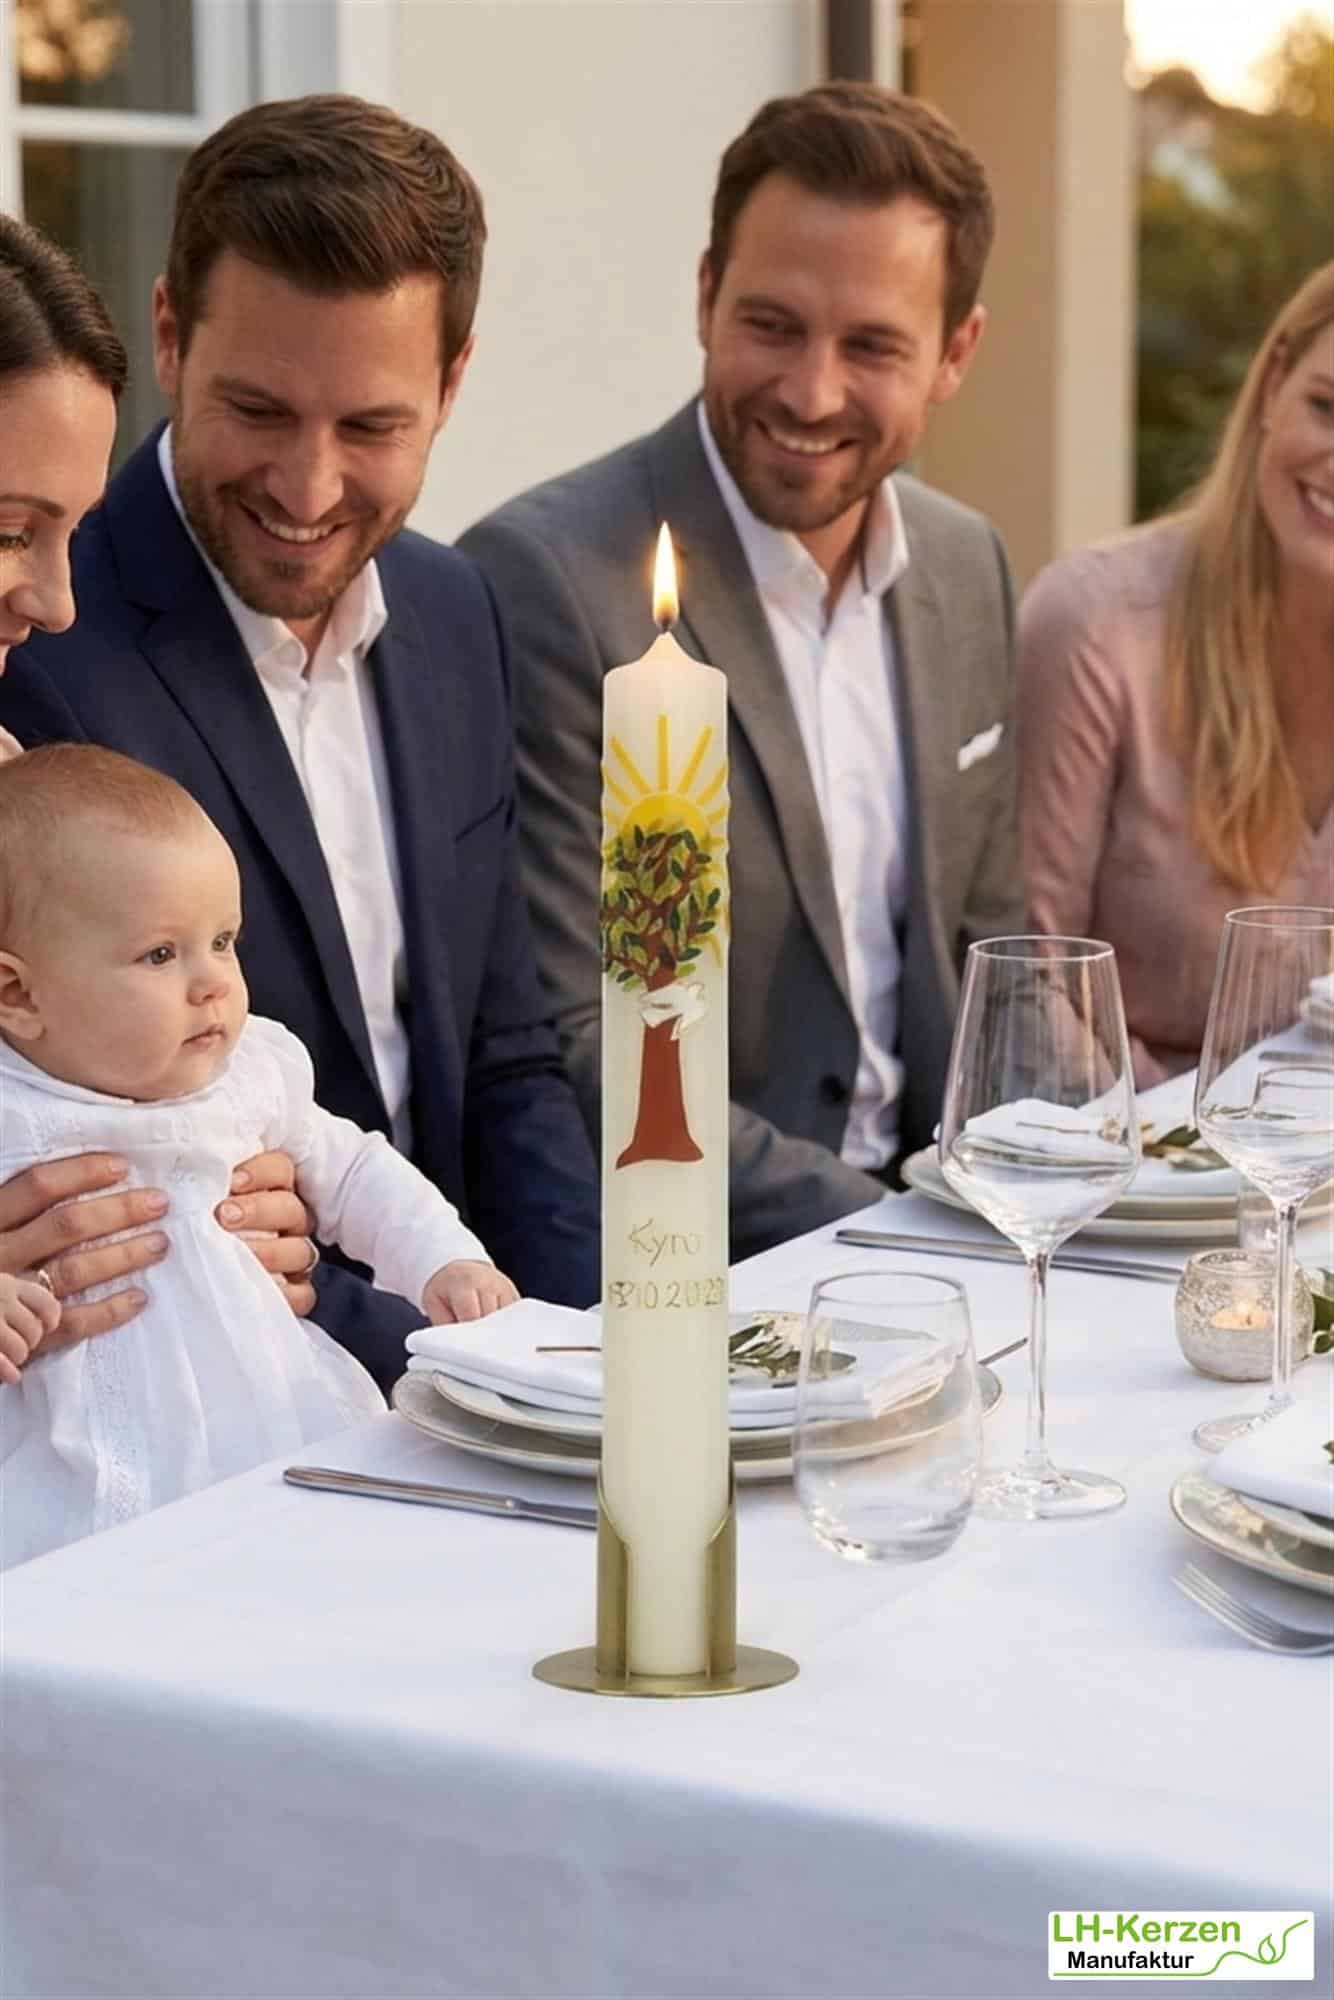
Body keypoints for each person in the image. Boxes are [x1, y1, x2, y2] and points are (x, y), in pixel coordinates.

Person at [0, 97, 600, 1389]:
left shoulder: (454, 609)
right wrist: (447, 1357)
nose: (309, 487)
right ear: (171, 336)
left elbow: (507, 1061)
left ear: (450, 385)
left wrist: (586, 1358)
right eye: (261, 412)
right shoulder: (42, 664)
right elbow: (124, 1190)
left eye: (370, 427)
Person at [460, 82, 1022, 1259]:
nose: (810, 392)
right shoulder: (544, 581)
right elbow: (579, 1038)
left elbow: (998, 962)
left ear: (955, 352)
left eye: (870, 345)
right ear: (705, 293)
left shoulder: (967, 564)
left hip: (952, 1229)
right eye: (770, 325)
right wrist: (896, 1234)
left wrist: (1042, 1198)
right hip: (689, 1265)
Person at [0, 745, 520, 1568]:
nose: (212, 982)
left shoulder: (249, 1075)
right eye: (160, 954)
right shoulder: (12, 1111)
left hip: (271, 1423)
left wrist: (442, 1259)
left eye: (223, 941)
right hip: (82, 1474)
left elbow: (355, 1170)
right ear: (18, 995)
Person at [0, 213, 316, 1347]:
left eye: (72, 534)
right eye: (9, 532)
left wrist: (238, 1222)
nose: (56, 603)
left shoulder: (20, 799)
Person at [1017, 261, 1334, 1086]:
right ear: (1273, 385)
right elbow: (1028, 976)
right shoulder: (1096, 624)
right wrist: (1178, 1139)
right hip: (1119, 1145)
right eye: (1327, 408)